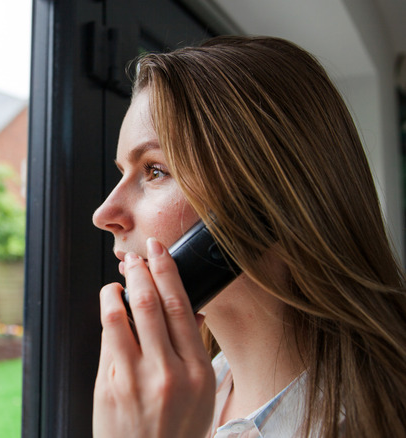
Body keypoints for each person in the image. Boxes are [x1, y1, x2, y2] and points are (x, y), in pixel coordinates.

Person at [91, 36, 406, 438]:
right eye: (123, 172)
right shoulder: (181, 396)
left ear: (267, 202)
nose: (104, 215)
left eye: (154, 170)